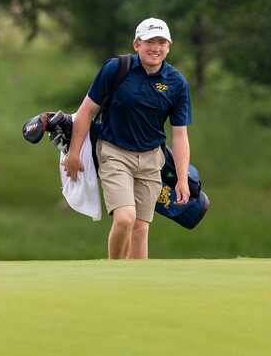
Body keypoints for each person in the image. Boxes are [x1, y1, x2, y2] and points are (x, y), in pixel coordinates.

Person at [64, 17, 191, 259]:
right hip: (115, 153)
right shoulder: (116, 69)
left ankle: (137, 285)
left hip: (152, 159)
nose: (156, 47)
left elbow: (180, 134)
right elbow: (86, 113)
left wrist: (182, 179)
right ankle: (114, 271)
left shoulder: (176, 83)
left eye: (161, 42)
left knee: (141, 228)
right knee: (125, 219)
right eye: (150, 41)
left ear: (169, 46)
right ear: (137, 44)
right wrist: (73, 153)